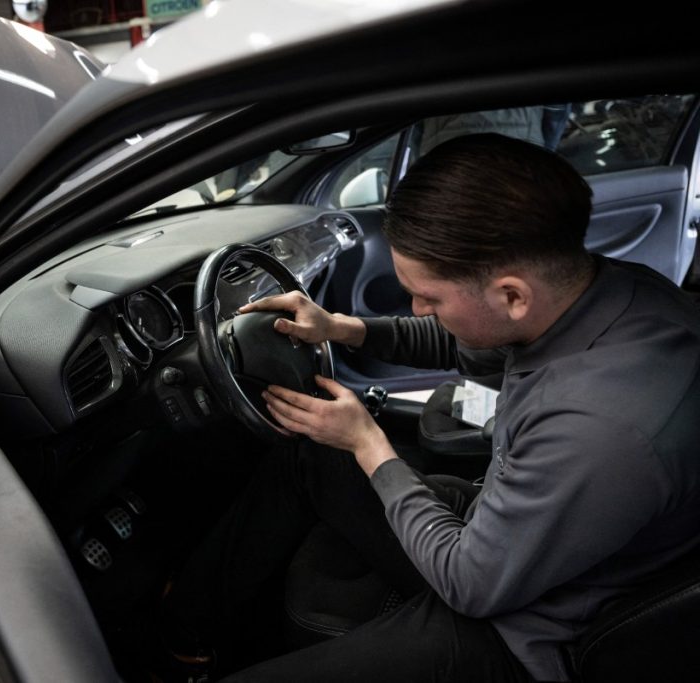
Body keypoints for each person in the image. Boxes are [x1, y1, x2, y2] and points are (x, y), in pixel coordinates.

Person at [157, 133, 700, 682]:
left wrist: (369, 445)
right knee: (308, 457)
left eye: (429, 298)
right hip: (512, 527)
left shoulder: (600, 426)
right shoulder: (602, 292)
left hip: (523, 630)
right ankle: (183, 636)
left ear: (512, 295)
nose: (417, 307)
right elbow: (472, 344)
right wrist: (342, 328)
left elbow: (470, 585)